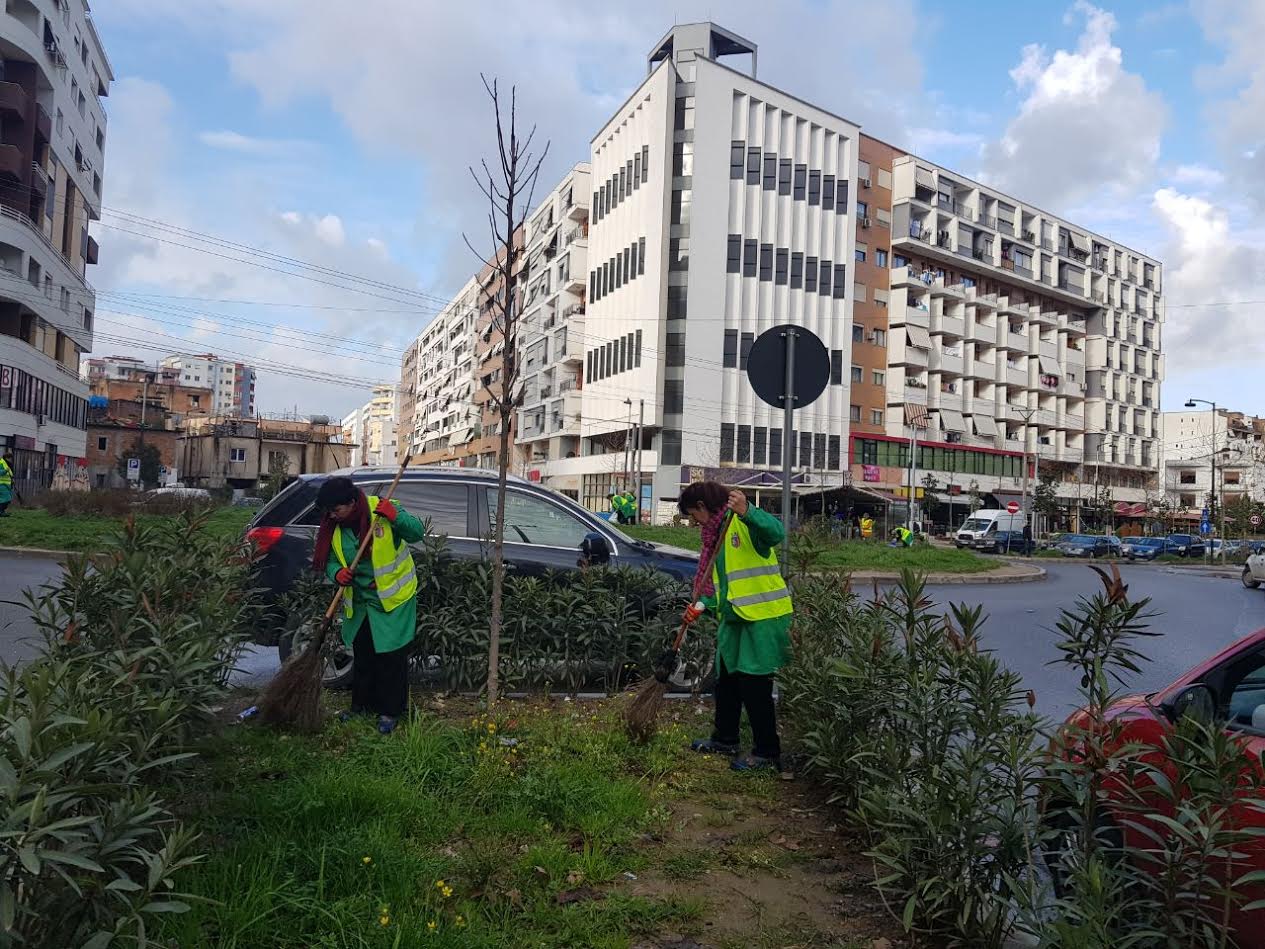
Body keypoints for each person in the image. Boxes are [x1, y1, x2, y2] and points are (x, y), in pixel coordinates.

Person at [678, 481, 793, 772]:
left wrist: (749, 512)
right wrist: (702, 607)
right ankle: (725, 738)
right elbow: (724, 587)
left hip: (761, 617)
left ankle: (767, 752)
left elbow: (776, 533)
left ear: (703, 506)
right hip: (734, 619)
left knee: (755, 687)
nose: (693, 522)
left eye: (693, 514)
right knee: (726, 681)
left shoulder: (742, 524)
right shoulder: (714, 536)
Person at [311, 477, 426, 734]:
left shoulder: (382, 509)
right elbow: (329, 559)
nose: (331, 515)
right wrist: (337, 573)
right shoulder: (335, 527)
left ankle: (390, 711)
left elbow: (417, 532)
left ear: (352, 503)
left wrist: (395, 515)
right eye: (328, 511)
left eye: (336, 510)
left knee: (391, 657)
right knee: (364, 656)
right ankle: (361, 707)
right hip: (361, 603)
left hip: (392, 600)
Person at [0, 451, 12, 517]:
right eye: (10, 458)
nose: (11, 460)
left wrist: (12, 479)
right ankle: (1, 512)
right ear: (6, 458)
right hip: (2, 484)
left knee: (7, 499)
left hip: (6, 485)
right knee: (6, 499)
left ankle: (2, 511)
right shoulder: (1, 463)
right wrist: (5, 471)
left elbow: (9, 474)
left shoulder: (7, 464)